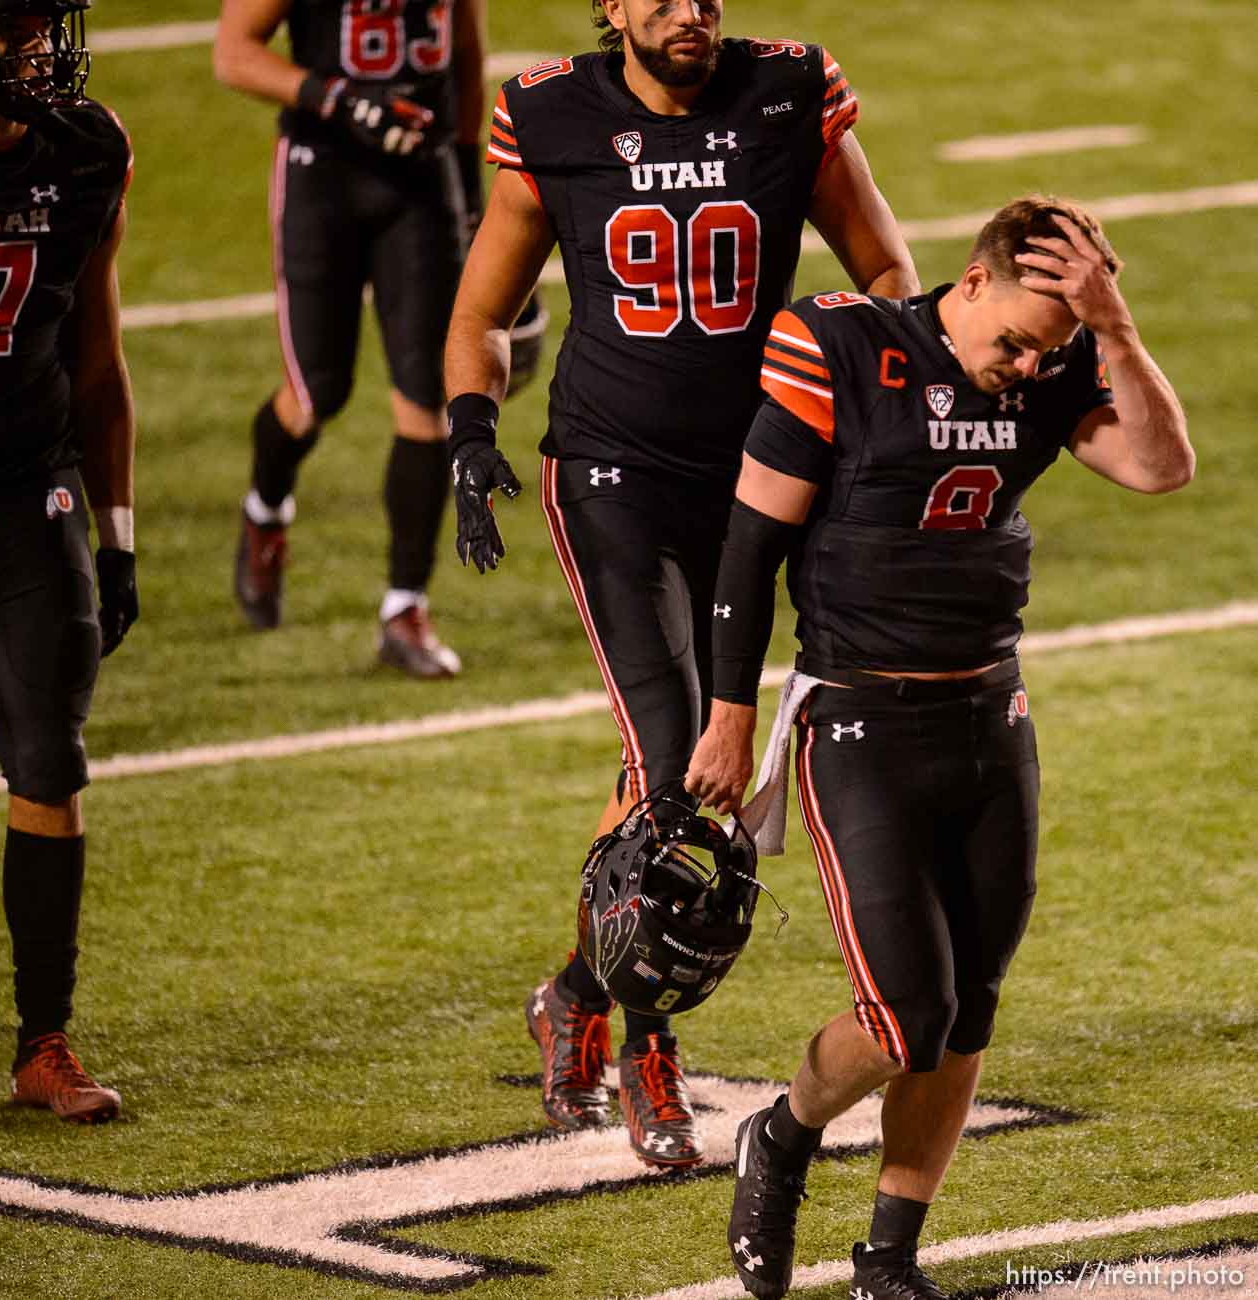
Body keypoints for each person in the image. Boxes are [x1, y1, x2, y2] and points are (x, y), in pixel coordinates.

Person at [683, 195, 1194, 1299]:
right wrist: (726, 714)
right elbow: (749, 543)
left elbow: (1160, 468)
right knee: (904, 1012)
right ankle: (780, 1130)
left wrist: (1113, 335)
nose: (1022, 365)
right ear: (967, 282)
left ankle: (888, 1257)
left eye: (1045, 348)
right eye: (1013, 336)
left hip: (990, 713)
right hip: (861, 715)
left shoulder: (1059, 369)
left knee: (970, 1006)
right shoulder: (841, 346)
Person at [444, 0, 918, 1168]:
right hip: (610, 474)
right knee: (676, 765)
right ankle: (647, 1051)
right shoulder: (552, 112)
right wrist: (468, 427)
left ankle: (574, 995)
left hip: (755, 480)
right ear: (608, 8)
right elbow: (479, 311)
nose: (686, 12)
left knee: (693, 764)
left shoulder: (788, 90)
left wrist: (866, 403)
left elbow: (887, 268)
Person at [215, 0, 545, 675]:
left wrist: (469, 184)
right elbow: (234, 53)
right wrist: (334, 98)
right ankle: (266, 506)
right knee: (316, 393)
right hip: (322, 170)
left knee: (427, 397)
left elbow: (465, 53)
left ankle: (404, 608)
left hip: (423, 178)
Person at [0, 0, 138, 1122]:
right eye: (9, 30)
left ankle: (43, 1041)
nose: (37, 51)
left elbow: (98, 351)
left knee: (48, 761)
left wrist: (115, 535)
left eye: (42, 28)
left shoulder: (85, 152)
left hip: (28, 495)